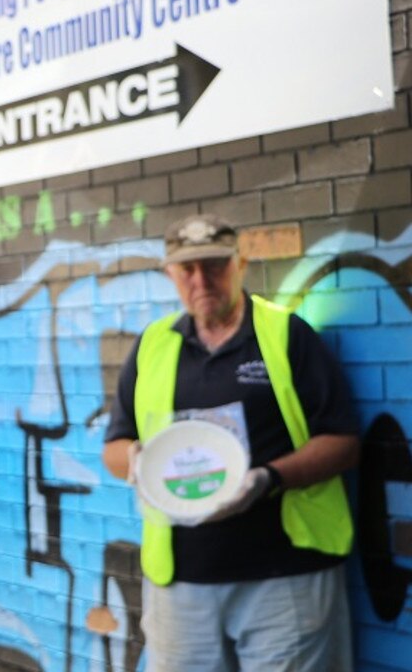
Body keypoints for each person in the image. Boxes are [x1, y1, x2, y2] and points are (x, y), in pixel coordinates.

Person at [102, 213, 360, 672]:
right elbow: (115, 446)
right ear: (170, 274)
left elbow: (342, 442)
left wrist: (267, 478)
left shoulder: (286, 334)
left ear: (240, 264)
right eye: (187, 268)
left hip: (285, 580)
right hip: (181, 587)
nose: (201, 279)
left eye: (215, 265)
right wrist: (138, 461)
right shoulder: (152, 346)